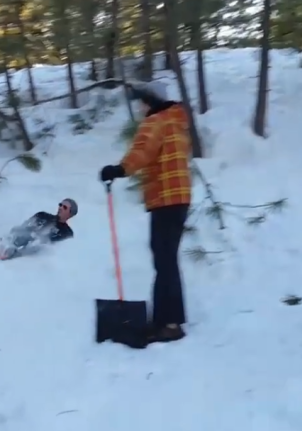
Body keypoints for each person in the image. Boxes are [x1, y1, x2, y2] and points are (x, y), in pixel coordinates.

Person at [99, 82, 192, 343]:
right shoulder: (176, 121)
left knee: (164, 261)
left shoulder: (156, 121)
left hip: (165, 198)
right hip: (180, 197)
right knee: (167, 260)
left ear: (149, 100)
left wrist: (118, 170)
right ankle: (167, 320)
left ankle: (170, 325)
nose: (139, 107)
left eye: (141, 101)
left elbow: (143, 152)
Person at [0, 198, 77, 259]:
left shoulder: (67, 232)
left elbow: (55, 249)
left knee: (34, 241)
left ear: (70, 213)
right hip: (21, 237)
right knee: (18, 231)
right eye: (60, 205)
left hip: (33, 248)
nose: (60, 208)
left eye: (64, 207)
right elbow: (24, 226)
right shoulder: (42, 215)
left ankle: (6, 250)